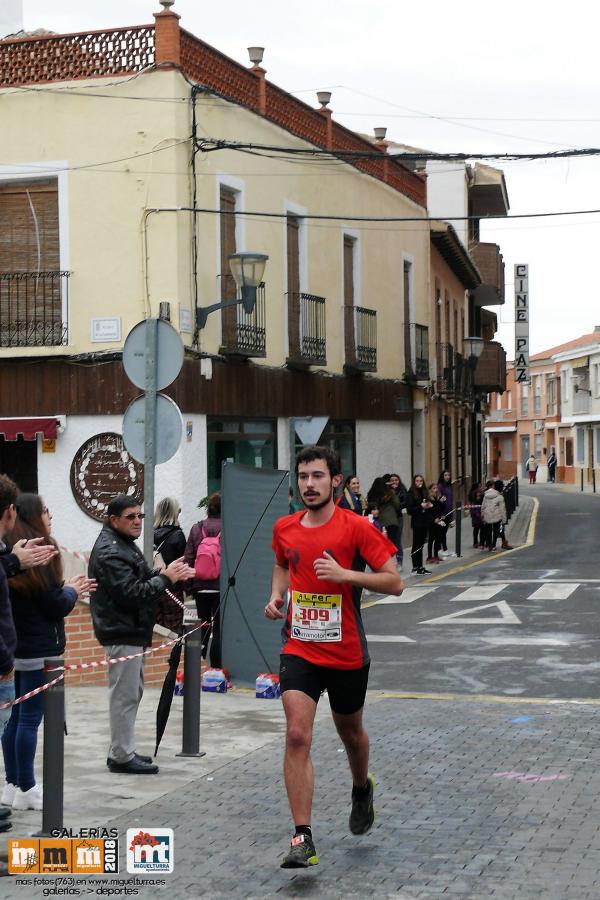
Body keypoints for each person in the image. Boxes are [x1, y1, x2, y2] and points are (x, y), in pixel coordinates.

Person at [265, 446, 403, 869]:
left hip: (345, 652)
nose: (309, 484)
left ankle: (362, 787)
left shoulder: (357, 528)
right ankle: (302, 838)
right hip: (300, 648)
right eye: (303, 476)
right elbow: (282, 565)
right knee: (296, 736)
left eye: (318, 476)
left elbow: (395, 582)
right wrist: (277, 595)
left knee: (351, 734)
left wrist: (346, 575)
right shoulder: (285, 527)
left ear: (335, 481)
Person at [1, 494, 95, 812]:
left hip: (17, 648)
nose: (49, 516)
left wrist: (63, 588)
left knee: (14, 718)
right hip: (40, 650)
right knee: (28, 719)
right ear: (30, 515)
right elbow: (52, 603)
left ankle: (13, 784)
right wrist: (72, 591)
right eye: (45, 511)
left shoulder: (13, 552)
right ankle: (26, 786)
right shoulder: (37, 552)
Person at [89, 494, 194, 775]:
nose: (137, 522)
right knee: (124, 695)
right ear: (114, 520)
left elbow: (142, 576)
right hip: (121, 630)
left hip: (132, 630)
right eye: (131, 517)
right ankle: (121, 755)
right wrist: (166, 578)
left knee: (132, 692)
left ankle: (123, 749)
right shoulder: (111, 550)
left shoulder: (123, 544)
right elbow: (133, 592)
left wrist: (164, 572)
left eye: (140, 516)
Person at [184, 492, 222, 669]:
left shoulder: (196, 528)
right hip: (221, 587)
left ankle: (198, 667)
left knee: (204, 626)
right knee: (219, 630)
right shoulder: (228, 528)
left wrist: (189, 587)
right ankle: (216, 669)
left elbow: (189, 558)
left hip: (200, 586)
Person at [153, 497, 186, 634]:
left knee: (157, 630)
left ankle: (159, 656)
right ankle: (173, 655)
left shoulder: (150, 535)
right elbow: (183, 562)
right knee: (173, 631)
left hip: (154, 587)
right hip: (173, 589)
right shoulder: (178, 535)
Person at [367, 477, 402, 569]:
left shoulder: (372, 494)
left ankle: (381, 565)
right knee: (391, 544)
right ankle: (390, 566)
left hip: (378, 522)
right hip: (391, 521)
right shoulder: (389, 493)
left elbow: (369, 507)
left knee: (381, 545)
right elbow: (398, 505)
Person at [406, 474, 433, 574]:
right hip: (417, 522)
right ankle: (415, 566)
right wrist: (420, 507)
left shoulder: (424, 492)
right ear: (414, 482)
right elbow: (409, 510)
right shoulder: (411, 493)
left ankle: (420, 566)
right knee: (416, 544)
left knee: (421, 544)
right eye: (417, 481)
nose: (419, 483)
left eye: (421, 481)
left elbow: (428, 504)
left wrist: (428, 505)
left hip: (424, 521)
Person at [386, 473, 408, 568]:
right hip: (388, 518)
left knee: (397, 539)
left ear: (399, 481)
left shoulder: (402, 490)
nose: (394, 482)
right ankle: (390, 561)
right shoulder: (387, 491)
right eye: (392, 480)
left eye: (396, 480)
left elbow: (405, 503)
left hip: (398, 517)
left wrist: (396, 505)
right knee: (389, 540)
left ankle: (399, 561)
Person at [480, 480, 507, 551]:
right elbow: (502, 509)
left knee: (488, 531)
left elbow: (483, 506)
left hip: (487, 515)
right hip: (496, 516)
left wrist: (482, 514)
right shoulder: (500, 496)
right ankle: (494, 545)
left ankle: (489, 545)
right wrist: (504, 520)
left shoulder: (486, 495)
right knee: (495, 531)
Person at [425, 484, 446, 564]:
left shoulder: (438, 498)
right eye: (434, 488)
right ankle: (430, 557)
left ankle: (436, 555)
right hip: (431, 521)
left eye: (436, 488)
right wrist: (434, 519)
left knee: (438, 538)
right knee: (431, 539)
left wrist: (442, 502)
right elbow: (428, 512)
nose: (436, 490)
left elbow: (440, 509)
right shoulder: (428, 499)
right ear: (430, 490)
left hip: (439, 520)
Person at [436, 470, 454, 558]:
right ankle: (440, 549)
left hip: (448, 512)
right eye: (445, 475)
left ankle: (445, 549)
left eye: (448, 475)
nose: (447, 477)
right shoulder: (440, 487)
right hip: (442, 513)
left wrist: (451, 514)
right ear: (442, 476)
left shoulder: (449, 486)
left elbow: (450, 500)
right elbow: (439, 500)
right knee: (441, 532)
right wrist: (441, 513)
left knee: (444, 531)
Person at [467, 482, 484, 549]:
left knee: (482, 530)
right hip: (476, 518)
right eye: (477, 496)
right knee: (476, 530)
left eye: (479, 496)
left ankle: (482, 542)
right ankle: (475, 542)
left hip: (481, 517)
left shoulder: (482, 501)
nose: (478, 497)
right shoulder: (473, 501)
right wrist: (476, 513)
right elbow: (472, 509)